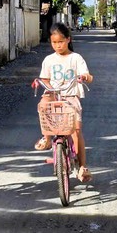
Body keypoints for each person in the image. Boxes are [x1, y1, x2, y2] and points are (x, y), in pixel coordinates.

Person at [34, 22, 93, 182]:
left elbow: (88, 75)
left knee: (76, 131)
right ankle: (46, 138)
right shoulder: (49, 60)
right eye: (54, 42)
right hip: (54, 95)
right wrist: (44, 84)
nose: (57, 45)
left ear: (68, 39)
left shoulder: (76, 58)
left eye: (60, 41)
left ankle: (82, 166)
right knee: (43, 104)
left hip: (71, 96)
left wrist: (85, 77)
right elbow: (45, 78)